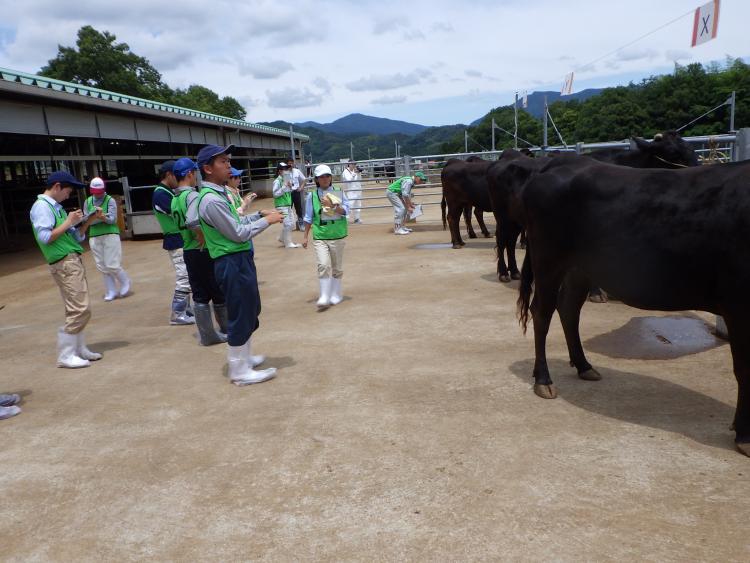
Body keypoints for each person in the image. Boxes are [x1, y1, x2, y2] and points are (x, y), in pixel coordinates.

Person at [195, 144, 284, 386]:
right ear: (208, 169)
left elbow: (236, 219)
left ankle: (244, 358)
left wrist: (257, 215)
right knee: (240, 312)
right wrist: (267, 220)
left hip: (238, 259)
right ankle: (239, 371)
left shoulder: (220, 195)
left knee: (249, 309)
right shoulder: (211, 200)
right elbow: (237, 233)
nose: (228, 166)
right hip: (230, 261)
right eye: (223, 162)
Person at [30, 171, 104, 368]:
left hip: (71, 260)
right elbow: (45, 237)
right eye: (68, 191)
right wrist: (69, 222)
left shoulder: (56, 208)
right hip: (64, 262)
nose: (68, 195)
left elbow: (76, 237)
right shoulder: (42, 207)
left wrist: (88, 220)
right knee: (80, 309)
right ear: (57, 187)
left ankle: (78, 349)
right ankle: (66, 354)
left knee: (77, 308)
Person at [171, 157, 227, 346]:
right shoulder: (193, 196)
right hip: (202, 250)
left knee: (200, 294)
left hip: (188, 250)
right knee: (218, 292)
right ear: (189, 173)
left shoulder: (175, 198)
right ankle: (227, 329)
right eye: (194, 173)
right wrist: (203, 236)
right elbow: (193, 221)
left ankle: (207, 335)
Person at [152, 160, 194, 325]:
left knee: (187, 274)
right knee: (184, 276)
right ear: (169, 175)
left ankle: (186, 310)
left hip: (179, 238)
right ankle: (178, 313)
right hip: (175, 239)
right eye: (176, 175)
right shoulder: (161, 193)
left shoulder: (167, 191)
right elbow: (179, 214)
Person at [302, 165, 349, 308]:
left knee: (337, 267)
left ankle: (336, 294)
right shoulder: (312, 195)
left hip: (337, 234)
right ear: (316, 179)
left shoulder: (338, 192)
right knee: (323, 265)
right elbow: (308, 217)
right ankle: (324, 295)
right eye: (322, 176)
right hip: (320, 235)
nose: (325, 179)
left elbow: (346, 211)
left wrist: (333, 206)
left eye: (327, 176)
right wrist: (305, 236)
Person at [84, 177, 131, 301]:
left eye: (100, 191)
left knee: (112, 264)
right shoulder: (88, 201)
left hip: (110, 234)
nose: (98, 194)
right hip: (94, 236)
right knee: (102, 265)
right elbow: (86, 221)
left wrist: (100, 217)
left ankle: (125, 281)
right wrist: (98, 218)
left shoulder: (109, 200)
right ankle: (111, 290)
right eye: (95, 191)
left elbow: (113, 220)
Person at [386, 171, 427, 235]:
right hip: (392, 192)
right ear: (416, 177)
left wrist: (410, 205)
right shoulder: (409, 181)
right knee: (401, 209)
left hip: (396, 193)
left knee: (404, 208)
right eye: (421, 179)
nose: (421, 181)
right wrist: (408, 207)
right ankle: (397, 229)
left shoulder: (410, 181)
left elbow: (405, 194)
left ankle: (402, 227)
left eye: (423, 180)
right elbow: (405, 195)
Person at [273, 162, 301, 248]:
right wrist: (284, 187)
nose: (286, 171)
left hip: (287, 204)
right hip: (281, 205)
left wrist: (290, 186)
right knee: (288, 224)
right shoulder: (277, 181)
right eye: (284, 169)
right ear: (279, 171)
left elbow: (288, 191)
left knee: (292, 223)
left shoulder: (286, 179)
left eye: (287, 169)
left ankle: (282, 238)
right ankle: (288, 243)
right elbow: (275, 194)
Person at [286, 158, 307, 231]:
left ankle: (301, 224)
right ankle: (289, 226)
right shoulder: (285, 172)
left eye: (291, 163)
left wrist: (301, 187)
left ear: (293, 163)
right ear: (287, 164)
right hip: (288, 193)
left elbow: (304, 179)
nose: (290, 165)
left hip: (296, 192)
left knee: (299, 209)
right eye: (289, 163)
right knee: (289, 209)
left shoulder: (297, 171)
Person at [342, 160, 363, 224]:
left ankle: (357, 218)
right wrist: (355, 173)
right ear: (349, 164)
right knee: (350, 205)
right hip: (351, 191)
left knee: (358, 205)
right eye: (353, 164)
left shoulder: (355, 170)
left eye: (355, 164)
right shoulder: (345, 171)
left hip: (358, 190)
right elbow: (348, 180)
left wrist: (359, 173)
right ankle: (346, 219)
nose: (354, 165)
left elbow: (359, 179)